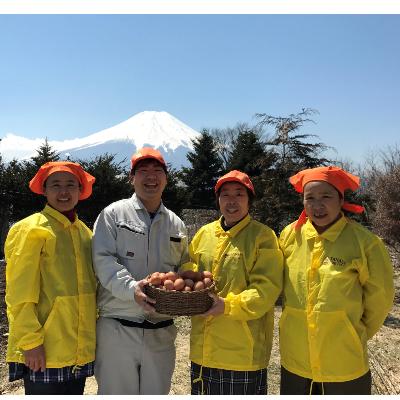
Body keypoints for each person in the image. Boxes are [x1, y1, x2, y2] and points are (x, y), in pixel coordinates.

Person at [279, 165, 394, 395]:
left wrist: (349, 330)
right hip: (295, 360)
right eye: (310, 198)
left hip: (344, 363)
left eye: (326, 197)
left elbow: (380, 300)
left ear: (341, 200)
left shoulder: (365, 243)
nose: (317, 205)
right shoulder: (291, 235)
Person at [92, 147, 188, 395]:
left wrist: (188, 287)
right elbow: (103, 260)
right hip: (118, 330)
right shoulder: (113, 214)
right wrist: (131, 289)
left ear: (166, 179)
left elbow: (184, 267)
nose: (151, 177)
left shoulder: (176, 224)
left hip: (161, 330)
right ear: (131, 178)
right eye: (143, 171)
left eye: (157, 171)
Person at [181, 170, 283, 395]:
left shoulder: (263, 237)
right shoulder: (205, 234)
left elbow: (266, 289)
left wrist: (228, 306)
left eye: (239, 194)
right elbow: (190, 269)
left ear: (249, 201)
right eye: (225, 194)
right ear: (218, 200)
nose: (232, 200)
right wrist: (185, 287)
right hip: (202, 351)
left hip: (241, 353)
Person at [4, 161, 97, 395]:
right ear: (44, 190)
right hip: (44, 349)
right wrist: (30, 342)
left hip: (78, 349)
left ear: (80, 190)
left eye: (70, 185)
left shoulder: (86, 233)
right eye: (55, 184)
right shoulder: (31, 230)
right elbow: (19, 294)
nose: (64, 191)